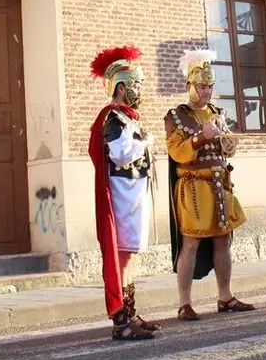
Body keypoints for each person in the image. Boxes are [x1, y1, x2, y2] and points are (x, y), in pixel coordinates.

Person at [165, 50, 253, 321]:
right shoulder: (176, 116)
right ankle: (184, 303)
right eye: (202, 86)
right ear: (190, 86)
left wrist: (228, 144)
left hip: (219, 184)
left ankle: (225, 296)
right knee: (190, 242)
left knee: (223, 240)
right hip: (194, 186)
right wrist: (199, 139)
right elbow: (175, 151)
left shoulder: (217, 113)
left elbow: (224, 149)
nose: (207, 92)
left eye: (210, 86)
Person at [88, 46, 159, 341]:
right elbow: (120, 155)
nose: (139, 90)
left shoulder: (128, 117)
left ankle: (129, 311)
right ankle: (121, 318)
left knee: (130, 253)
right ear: (122, 86)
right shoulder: (114, 118)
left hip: (134, 189)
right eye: (136, 84)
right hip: (122, 190)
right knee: (123, 253)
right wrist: (145, 143)